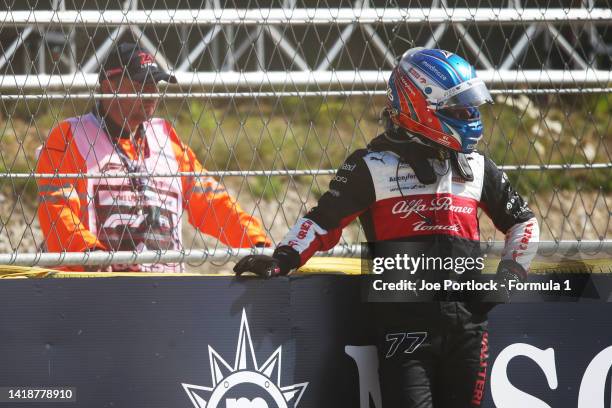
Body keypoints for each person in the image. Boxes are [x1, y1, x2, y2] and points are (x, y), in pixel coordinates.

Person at [234, 48, 539, 407]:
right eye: (458, 110)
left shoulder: (477, 166)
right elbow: (321, 222)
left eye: (472, 108)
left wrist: (508, 277)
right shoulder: (371, 165)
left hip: (468, 327)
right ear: (419, 107)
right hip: (404, 331)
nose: (470, 117)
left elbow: (524, 222)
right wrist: (282, 258)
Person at [37, 43, 270, 272]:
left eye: (155, 84)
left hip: (165, 294)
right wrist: (91, 254)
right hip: (98, 290)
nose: (152, 94)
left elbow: (212, 202)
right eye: (141, 84)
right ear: (109, 87)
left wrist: (258, 245)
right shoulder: (69, 137)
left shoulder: (166, 138)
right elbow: (56, 211)